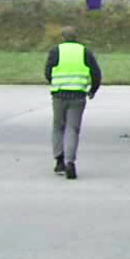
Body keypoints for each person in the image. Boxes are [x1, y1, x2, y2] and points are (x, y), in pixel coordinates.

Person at [44, 25, 102, 179]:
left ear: (62, 37)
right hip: (78, 96)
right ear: (76, 37)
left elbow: (47, 72)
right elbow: (96, 73)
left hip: (59, 95)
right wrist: (92, 90)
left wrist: (55, 83)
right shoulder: (84, 51)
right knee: (72, 129)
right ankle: (70, 162)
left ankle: (59, 161)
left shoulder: (55, 51)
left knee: (58, 127)